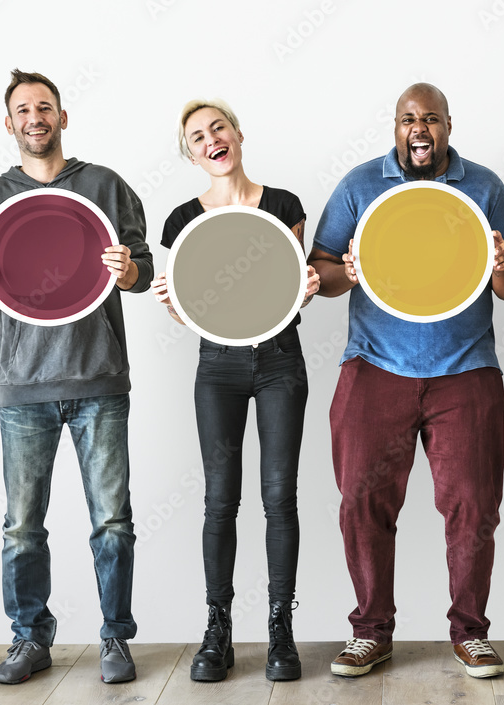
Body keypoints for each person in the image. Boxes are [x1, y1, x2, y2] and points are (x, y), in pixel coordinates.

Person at [307, 82, 504, 679]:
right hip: (375, 367)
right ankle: (371, 632)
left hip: (466, 370)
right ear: (396, 127)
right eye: (409, 119)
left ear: (449, 126)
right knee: (362, 502)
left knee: (474, 505)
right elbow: (320, 271)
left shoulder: (483, 187)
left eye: (431, 118)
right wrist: (345, 273)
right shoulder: (359, 185)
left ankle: (471, 633)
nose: (420, 128)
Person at [0, 69, 152, 685]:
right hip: (23, 387)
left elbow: (143, 270)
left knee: (112, 521)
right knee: (22, 527)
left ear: (63, 117)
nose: (35, 117)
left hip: (99, 378)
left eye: (46, 107)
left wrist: (128, 271)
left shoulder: (104, 186)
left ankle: (116, 641)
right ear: (9, 123)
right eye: (23, 109)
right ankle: (29, 638)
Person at [151, 98, 320, 682]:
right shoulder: (180, 220)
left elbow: (294, 286)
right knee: (221, 499)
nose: (211, 139)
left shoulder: (283, 205)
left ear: (238, 134)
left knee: (280, 497)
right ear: (192, 154)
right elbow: (191, 310)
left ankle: (280, 629)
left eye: (217, 127)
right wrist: (174, 306)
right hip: (217, 367)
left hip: (279, 362)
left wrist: (310, 287)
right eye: (197, 137)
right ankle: (217, 630)